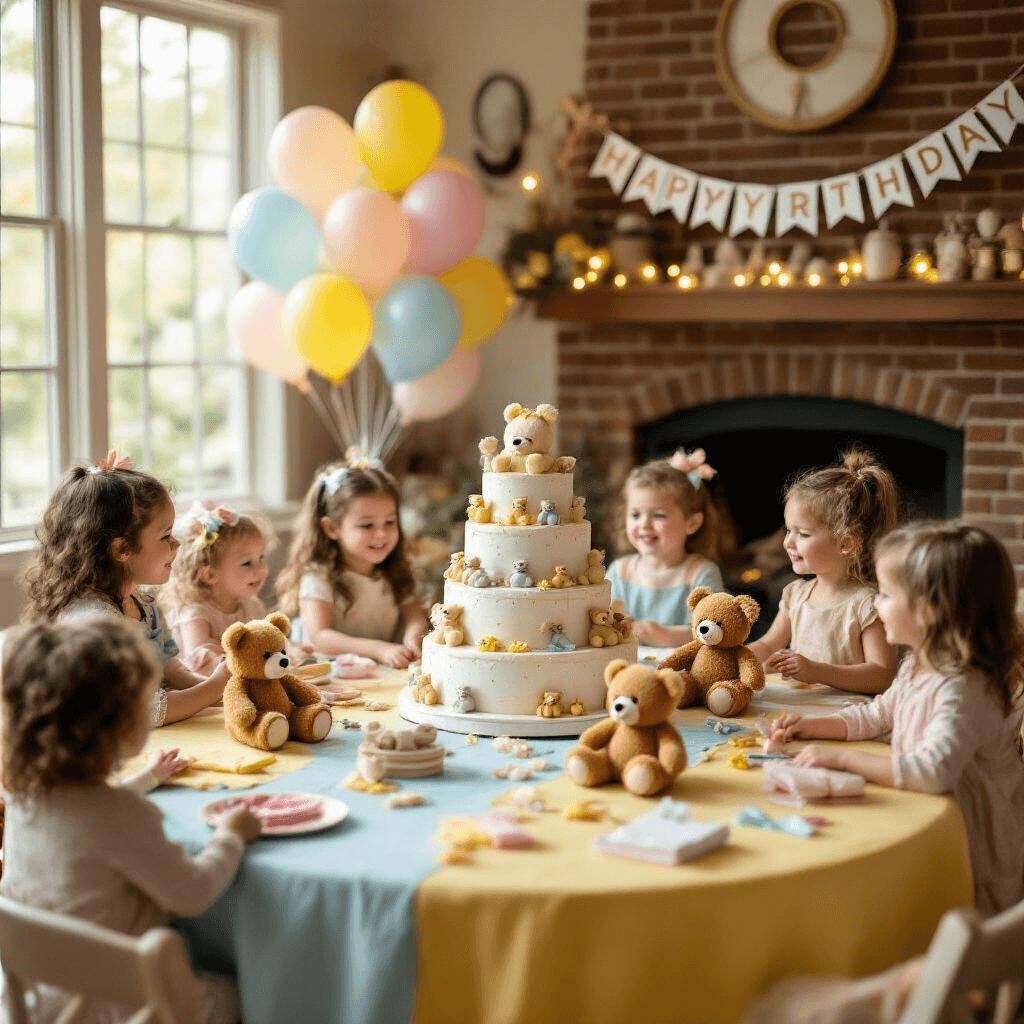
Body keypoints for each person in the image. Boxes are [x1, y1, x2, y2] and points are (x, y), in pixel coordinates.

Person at [0, 617, 261, 1023]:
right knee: (250, 990)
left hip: (43, 1001)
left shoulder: (24, 798)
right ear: (121, 724)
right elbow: (191, 895)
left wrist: (148, 777)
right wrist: (231, 837)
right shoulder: (124, 815)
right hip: (127, 1007)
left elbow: (87, 820)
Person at [770, 521, 1024, 915]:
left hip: (978, 849)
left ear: (930, 610)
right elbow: (877, 716)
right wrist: (810, 727)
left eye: (886, 595)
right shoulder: (920, 664)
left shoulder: (963, 687)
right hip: (935, 823)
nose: (875, 605)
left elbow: (932, 771)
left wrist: (841, 758)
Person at [20, 451, 230, 725]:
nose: (177, 544)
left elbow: (168, 669)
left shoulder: (142, 603)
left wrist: (223, 688)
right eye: (166, 536)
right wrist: (214, 686)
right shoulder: (94, 621)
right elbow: (141, 711)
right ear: (121, 549)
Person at [746, 448, 899, 695]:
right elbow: (767, 644)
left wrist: (816, 671)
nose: (788, 543)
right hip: (801, 708)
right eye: (788, 531)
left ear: (846, 544)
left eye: (803, 534)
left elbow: (882, 675)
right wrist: (733, 657)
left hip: (846, 717)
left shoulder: (867, 605)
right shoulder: (795, 595)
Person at [275, 456, 429, 669]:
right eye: (367, 525)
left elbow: (415, 613)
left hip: (380, 672)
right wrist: (380, 649)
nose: (381, 533)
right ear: (332, 528)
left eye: (390, 522)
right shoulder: (319, 576)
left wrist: (413, 637)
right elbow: (321, 635)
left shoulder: (397, 570)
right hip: (329, 673)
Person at [606, 448, 724, 647]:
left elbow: (716, 631)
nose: (644, 524)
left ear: (692, 523)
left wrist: (663, 635)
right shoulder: (619, 572)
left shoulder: (701, 574)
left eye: (659, 515)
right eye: (635, 515)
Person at [165, 501, 279, 675]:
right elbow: (200, 662)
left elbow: (265, 644)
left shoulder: (251, 606)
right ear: (210, 575)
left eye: (261, 558)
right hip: (203, 693)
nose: (260, 568)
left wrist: (288, 649)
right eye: (247, 563)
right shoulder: (196, 612)